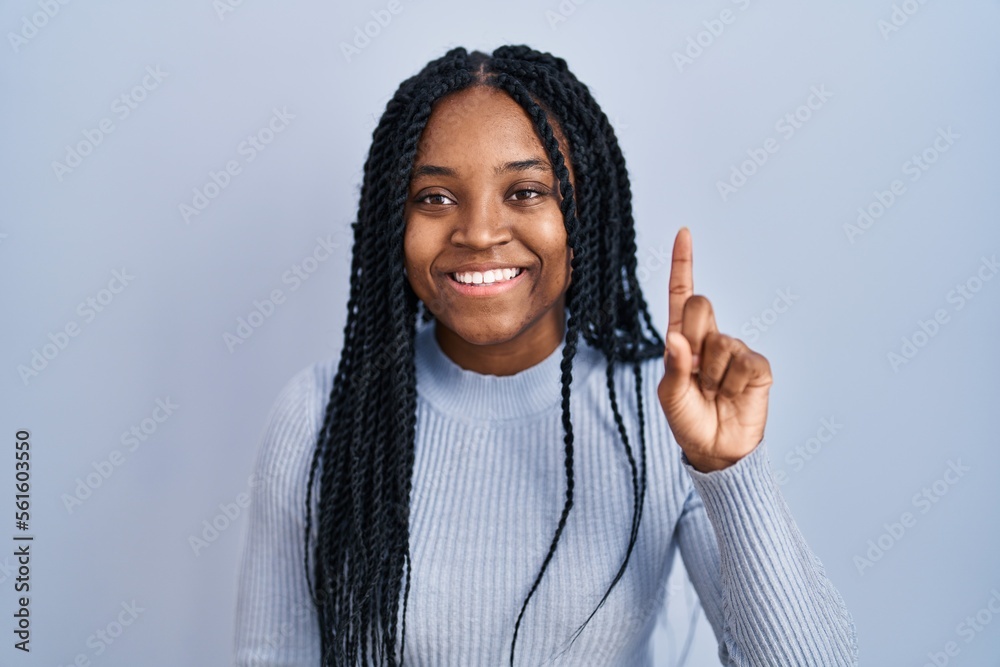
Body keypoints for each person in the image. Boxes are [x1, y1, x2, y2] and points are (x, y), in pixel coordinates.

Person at [234, 45, 858, 666]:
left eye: (526, 191)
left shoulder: (658, 411)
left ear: (584, 214)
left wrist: (728, 469)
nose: (479, 232)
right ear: (390, 221)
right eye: (435, 198)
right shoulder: (320, 414)